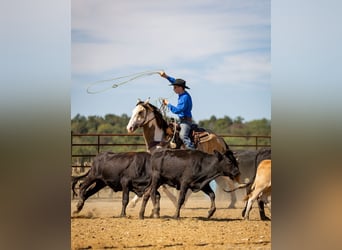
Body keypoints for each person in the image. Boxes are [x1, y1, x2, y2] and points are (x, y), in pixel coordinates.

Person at [159, 71, 195, 149]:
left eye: (175, 87)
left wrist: (168, 104)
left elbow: (177, 110)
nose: (173, 89)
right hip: (181, 120)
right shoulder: (182, 94)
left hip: (186, 122)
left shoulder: (184, 98)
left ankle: (193, 152)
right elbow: (174, 80)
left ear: (180, 88)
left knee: (183, 136)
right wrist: (165, 76)